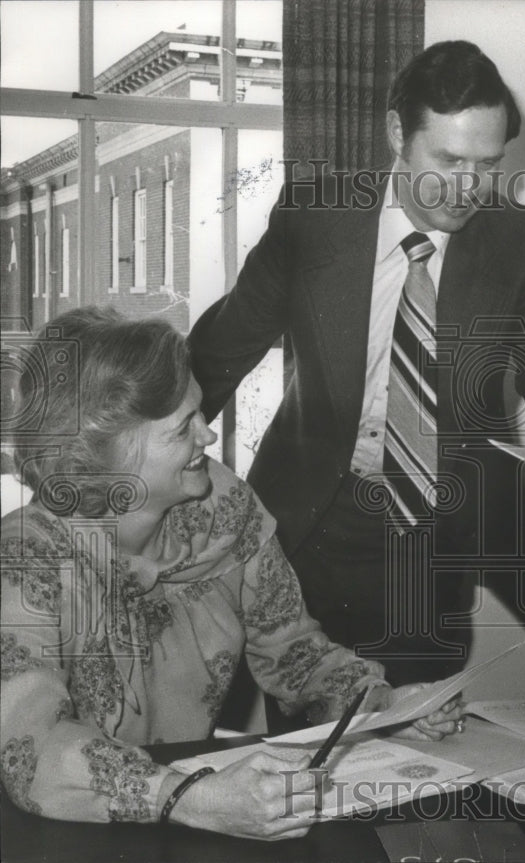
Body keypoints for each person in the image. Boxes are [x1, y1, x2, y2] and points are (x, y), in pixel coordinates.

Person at [188, 40, 525, 700]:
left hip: (431, 551)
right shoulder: (314, 220)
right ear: (395, 134)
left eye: (487, 165)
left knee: (415, 765)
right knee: (306, 764)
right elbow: (214, 357)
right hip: (304, 534)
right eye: (449, 160)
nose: (468, 188)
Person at [0, 307, 461, 838]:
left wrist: (384, 704)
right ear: (107, 453)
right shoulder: (25, 559)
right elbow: (29, 744)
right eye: (182, 427)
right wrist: (187, 796)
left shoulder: (224, 509)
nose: (208, 436)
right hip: (57, 829)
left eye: (201, 413)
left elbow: (294, 654)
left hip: (202, 816)